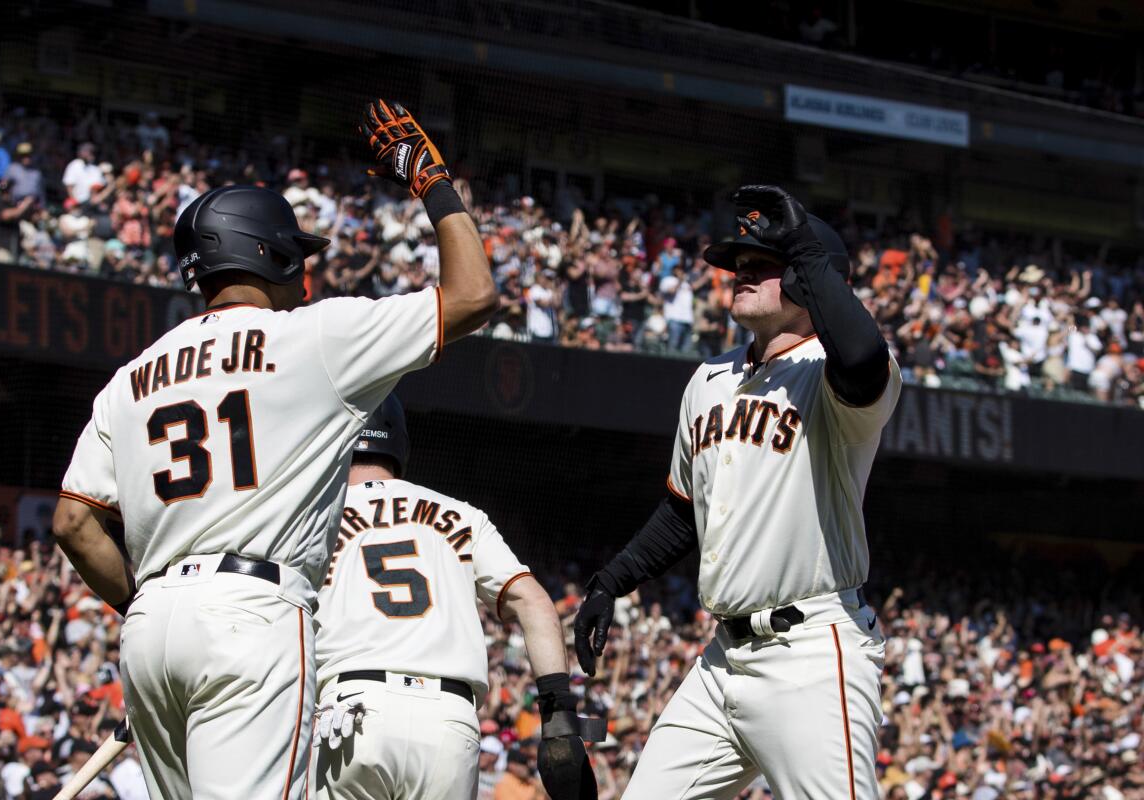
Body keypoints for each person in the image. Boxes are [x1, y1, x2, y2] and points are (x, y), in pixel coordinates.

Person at [51, 99, 497, 800]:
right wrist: (430, 180)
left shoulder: (130, 377)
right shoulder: (313, 339)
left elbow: (74, 524)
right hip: (251, 613)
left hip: (150, 625)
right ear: (273, 254)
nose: (306, 274)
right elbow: (473, 295)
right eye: (298, 257)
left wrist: (156, 604)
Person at [573, 185, 901, 799]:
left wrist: (807, 253)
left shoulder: (830, 374)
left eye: (761, 264)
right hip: (722, 661)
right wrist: (612, 580)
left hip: (810, 649)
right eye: (737, 264)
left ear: (808, 281)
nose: (739, 273)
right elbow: (683, 510)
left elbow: (862, 359)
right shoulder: (709, 378)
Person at [312, 396, 600, 800]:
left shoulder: (312, 518)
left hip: (354, 709)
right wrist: (558, 716)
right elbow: (533, 602)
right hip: (448, 721)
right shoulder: (462, 515)